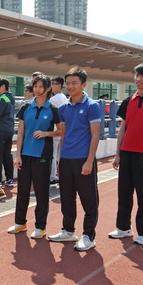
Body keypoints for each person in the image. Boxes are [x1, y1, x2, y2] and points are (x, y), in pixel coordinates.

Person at [109, 62, 143, 244]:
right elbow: (122, 129)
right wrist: (117, 154)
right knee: (124, 193)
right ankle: (123, 228)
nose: (138, 79)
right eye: (137, 75)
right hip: (126, 153)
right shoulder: (127, 101)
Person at [48, 67, 102, 251]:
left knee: (89, 199)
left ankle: (89, 235)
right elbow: (63, 134)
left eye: (75, 83)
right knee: (67, 197)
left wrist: (89, 161)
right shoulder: (63, 108)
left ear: (84, 84)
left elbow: (95, 135)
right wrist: (59, 158)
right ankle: (68, 230)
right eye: (68, 83)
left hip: (83, 159)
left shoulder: (92, 106)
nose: (70, 87)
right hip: (66, 159)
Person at [8, 76, 62, 238]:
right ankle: (20, 223)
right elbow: (21, 133)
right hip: (25, 155)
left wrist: (46, 133)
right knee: (23, 190)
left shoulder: (53, 109)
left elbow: (61, 131)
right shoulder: (25, 108)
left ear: (47, 89)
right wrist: (17, 155)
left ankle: (40, 226)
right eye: (35, 86)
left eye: (41, 87)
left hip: (43, 156)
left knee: (41, 192)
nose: (38, 89)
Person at [49, 77, 68, 185]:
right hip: (63, 130)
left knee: (53, 154)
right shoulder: (64, 98)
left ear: (59, 85)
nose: (52, 86)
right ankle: (62, 175)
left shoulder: (53, 99)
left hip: (55, 130)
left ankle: (52, 176)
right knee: (60, 154)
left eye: (54, 84)